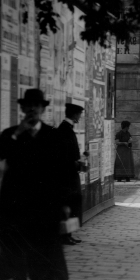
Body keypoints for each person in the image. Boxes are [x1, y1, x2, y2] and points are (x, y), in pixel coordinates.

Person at [0, 88, 70, 280]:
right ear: (23, 109)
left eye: (37, 105)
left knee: (41, 255)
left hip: (44, 208)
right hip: (14, 207)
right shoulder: (11, 134)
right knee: (16, 254)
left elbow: (62, 173)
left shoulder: (53, 136)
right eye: (29, 106)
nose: (33, 109)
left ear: (43, 109)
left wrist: (64, 204)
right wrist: (17, 133)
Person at [57, 102, 86, 246]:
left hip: (69, 173)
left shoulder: (67, 128)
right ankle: (64, 236)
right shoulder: (64, 130)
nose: (80, 116)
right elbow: (64, 155)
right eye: (79, 114)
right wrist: (76, 163)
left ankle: (68, 234)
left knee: (71, 205)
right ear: (74, 114)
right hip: (66, 175)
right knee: (67, 206)